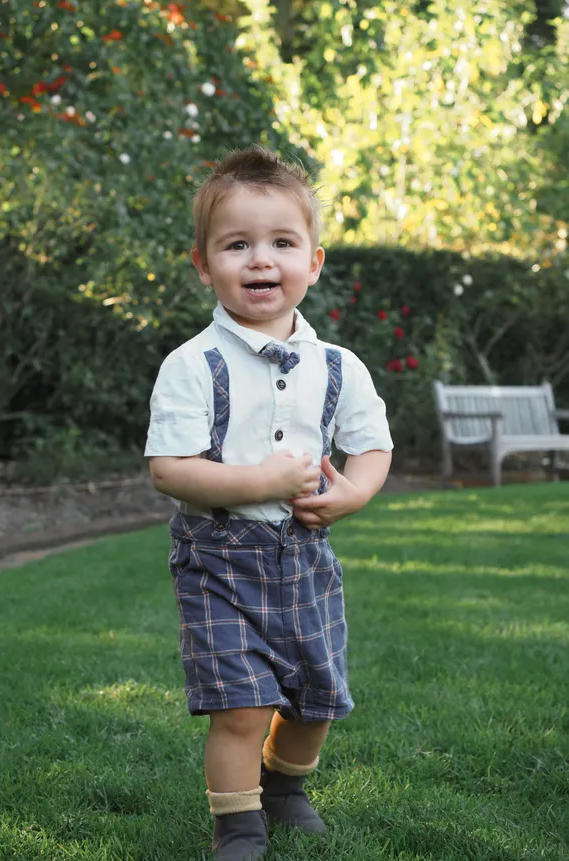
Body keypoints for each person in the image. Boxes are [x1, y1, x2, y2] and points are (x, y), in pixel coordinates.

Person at [145, 146, 393, 861]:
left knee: (316, 698)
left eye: (282, 243)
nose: (261, 260)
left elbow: (372, 445)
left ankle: (284, 786)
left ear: (313, 261)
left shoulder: (339, 366)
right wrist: (261, 482)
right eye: (237, 245)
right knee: (241, 703)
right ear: (204, 264)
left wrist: (350, 492)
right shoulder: (195, 364)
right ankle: (239, 824)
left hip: (305, 556)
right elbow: (169, 469)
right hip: (219, 557)